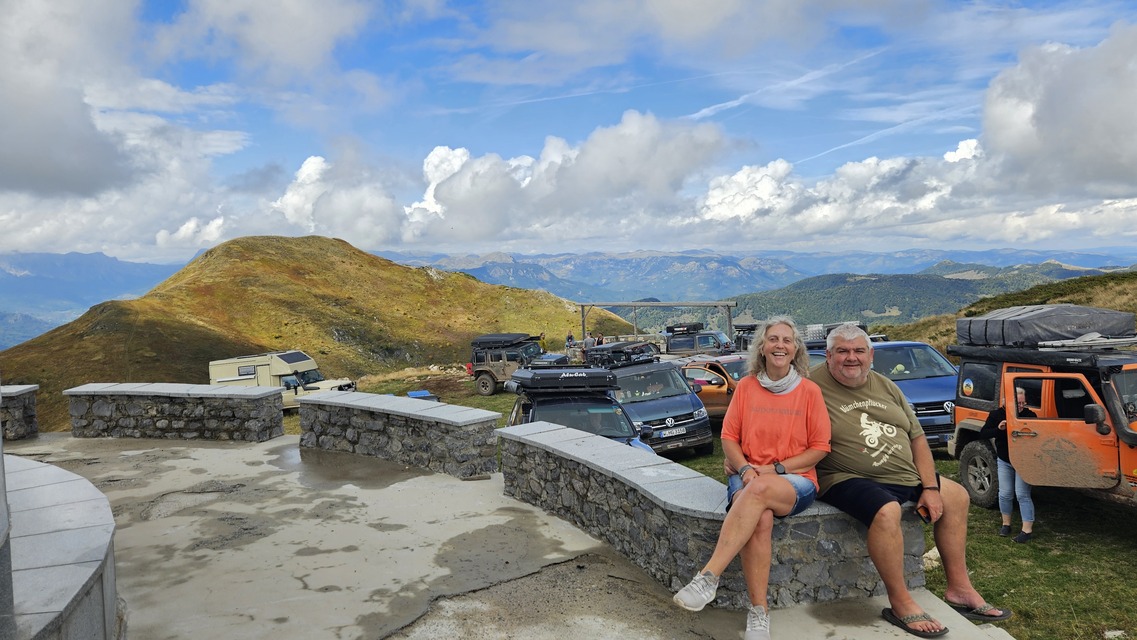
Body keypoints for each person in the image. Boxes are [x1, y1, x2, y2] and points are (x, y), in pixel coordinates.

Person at [811, 323, 1011, 638]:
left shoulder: (886, 386)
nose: (851, 358)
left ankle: (959, 588)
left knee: (956, 495)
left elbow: (917, 437)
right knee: (886, 510)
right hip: (844, 475)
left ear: (870, 355)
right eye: (842, 351)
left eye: (859, 351)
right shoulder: (811, 386)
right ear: (828, 355)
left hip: (902, 473)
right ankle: (901, 601)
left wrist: (929, 487)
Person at [672, 317, 831, 640]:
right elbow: (729, 437)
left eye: (787, 340)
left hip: (795, 480)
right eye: (773, 339)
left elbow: (820, 447)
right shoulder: (746, 387)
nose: (780, 345)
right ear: (761, 347)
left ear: (796, 349)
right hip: (746, 474)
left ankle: (709, 577)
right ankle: (759, 614)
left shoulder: (809, 392)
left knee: (758, 490)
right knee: (761, 519)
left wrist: (773, 470)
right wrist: (744, 468)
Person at [976, 386, 1037, 543]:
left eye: (1023, 403)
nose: (1021, 406)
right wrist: (998, 429)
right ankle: (1006, 524)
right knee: (1005, 494)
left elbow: (1038, 435)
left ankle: (1027, 530)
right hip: (1005, 460)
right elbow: (983, 433)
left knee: (1022, 494)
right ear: (1007, 402)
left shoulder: (1030, 415)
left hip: (1023, 461)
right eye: (1018, 403)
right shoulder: (996, 415)